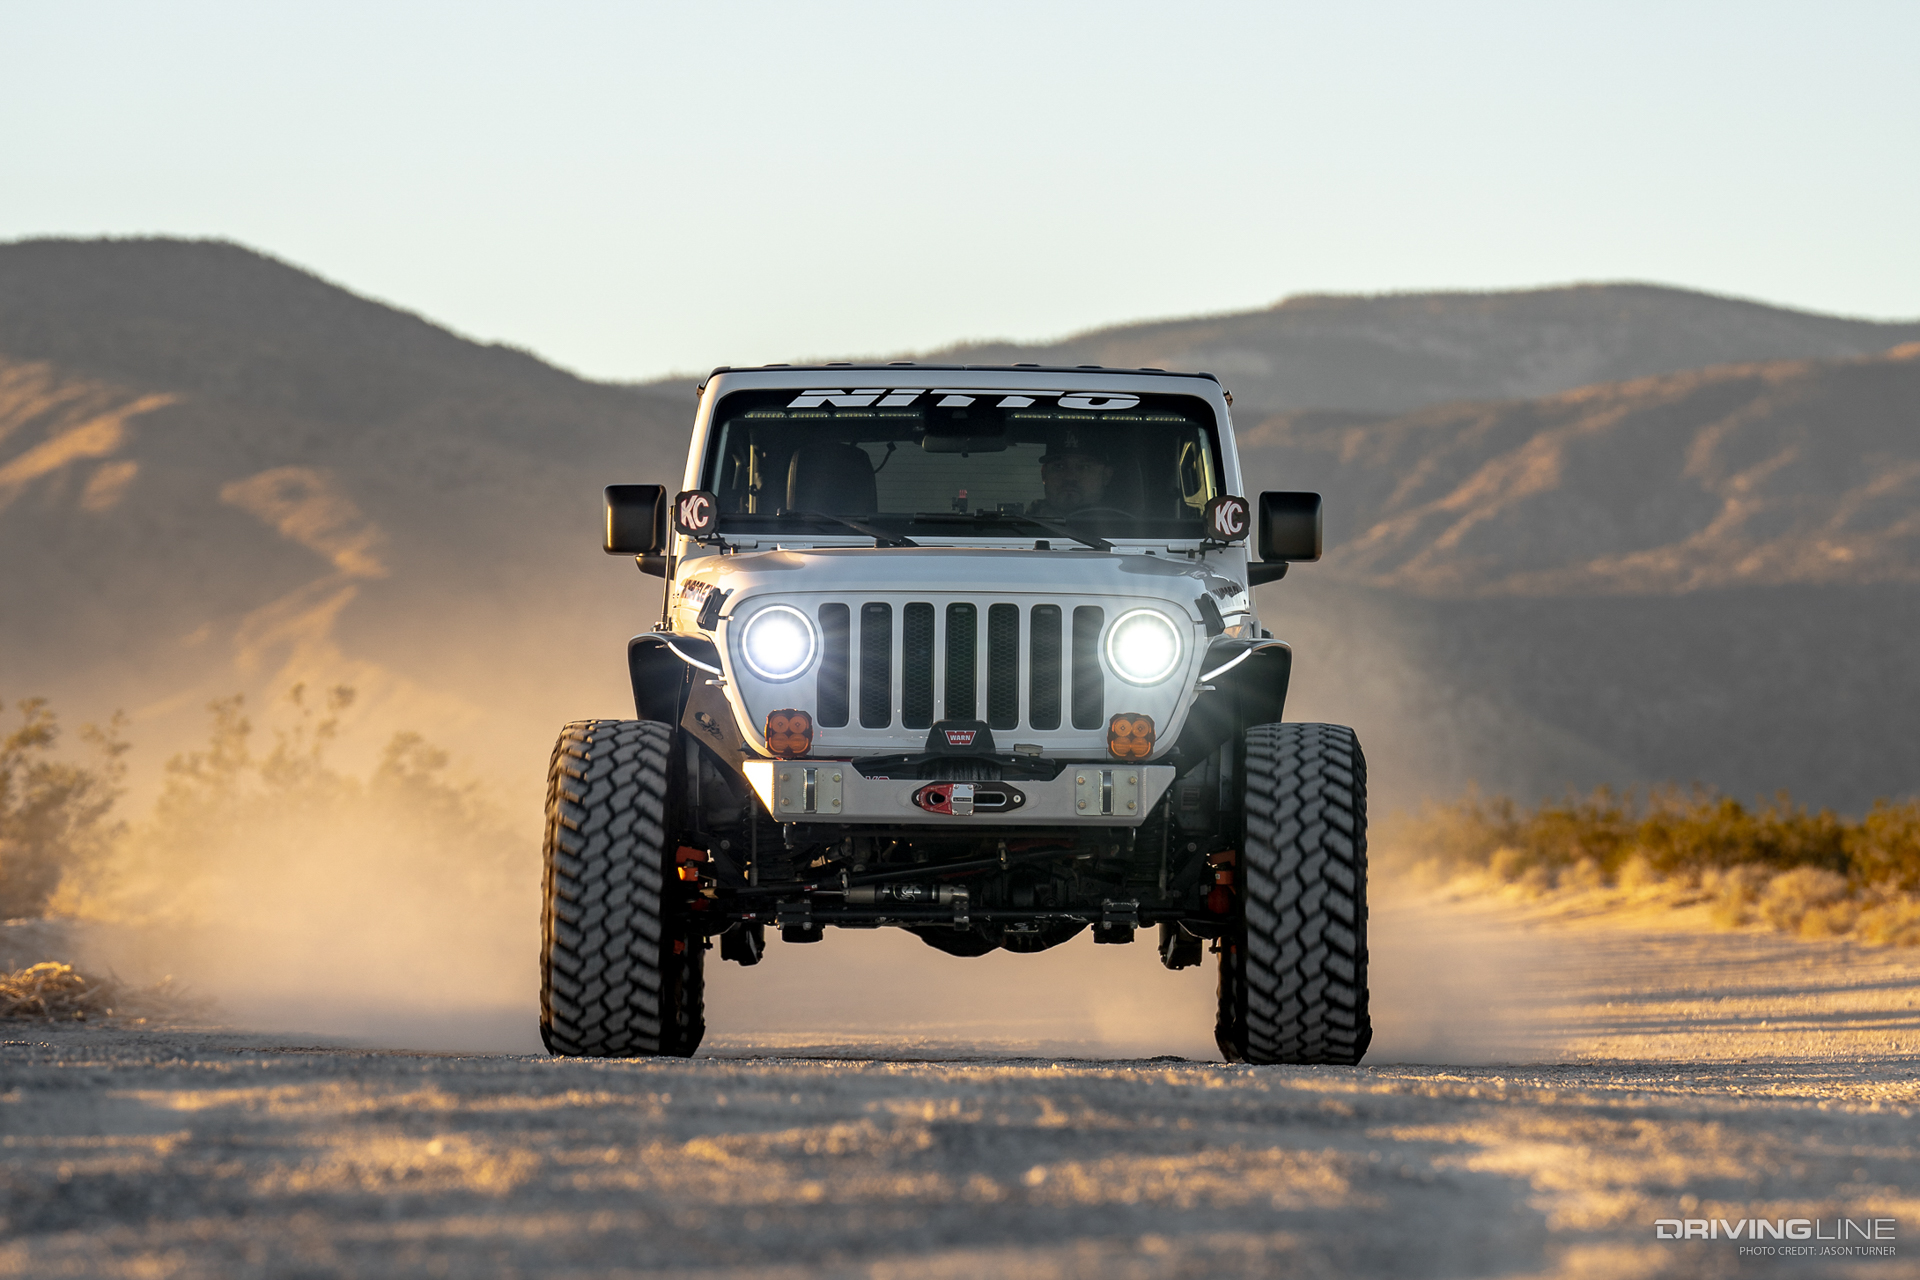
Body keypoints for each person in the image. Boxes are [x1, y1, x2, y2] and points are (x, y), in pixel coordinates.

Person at [1032, 430, 1115, 514]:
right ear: (1044, 474)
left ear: (1106, 476)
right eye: (1059, 466)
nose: (1070, 477)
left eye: (1084, 467)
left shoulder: (1123, 523)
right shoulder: (1025, 523)